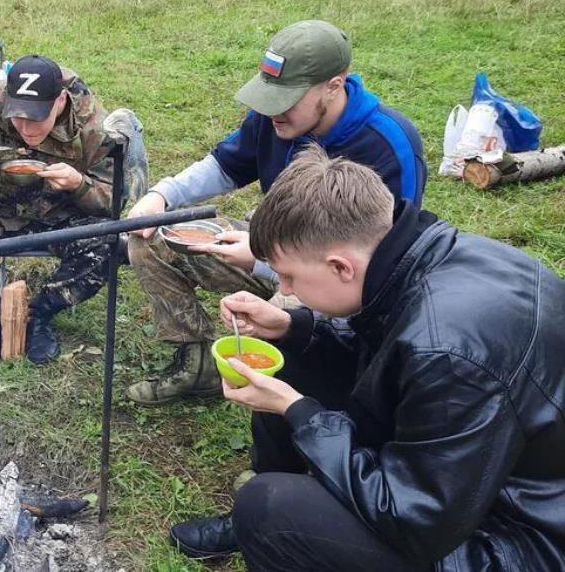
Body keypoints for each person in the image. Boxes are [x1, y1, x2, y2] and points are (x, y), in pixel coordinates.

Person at [169, 146, 565, 571]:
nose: (286, 288)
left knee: (267, 508)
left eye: (288, 277)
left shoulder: (447, 351)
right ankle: (272, 513)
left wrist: (299, 412)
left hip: (514, 537)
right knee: (291, 353)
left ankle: (274, 530)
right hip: (474, 482)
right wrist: (291, 326)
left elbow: (412, 519)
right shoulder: (425, 256)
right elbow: (383, 347)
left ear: (341, 267)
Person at [124, 19, 426, 404]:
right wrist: (162, 196)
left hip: (336, 286)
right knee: (153, 241)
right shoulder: (276, 118)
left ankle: (296, 417)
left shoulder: (389, 146)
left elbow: (381, 275)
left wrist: (263, 259)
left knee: (271, 328)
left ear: (334, 85)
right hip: (268, 248)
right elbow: (226, 165)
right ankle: (197, 363)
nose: (272, 113)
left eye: (286, 100)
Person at [0, 54, 138, 371]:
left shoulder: (91, 123)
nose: (26, 128)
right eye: (19, 117)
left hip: (65, 213)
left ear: (60, 100)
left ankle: (39, 314)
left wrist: (79, 184)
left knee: (112, 241)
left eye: (37, 118)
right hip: (2, 205)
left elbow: (114, 201)